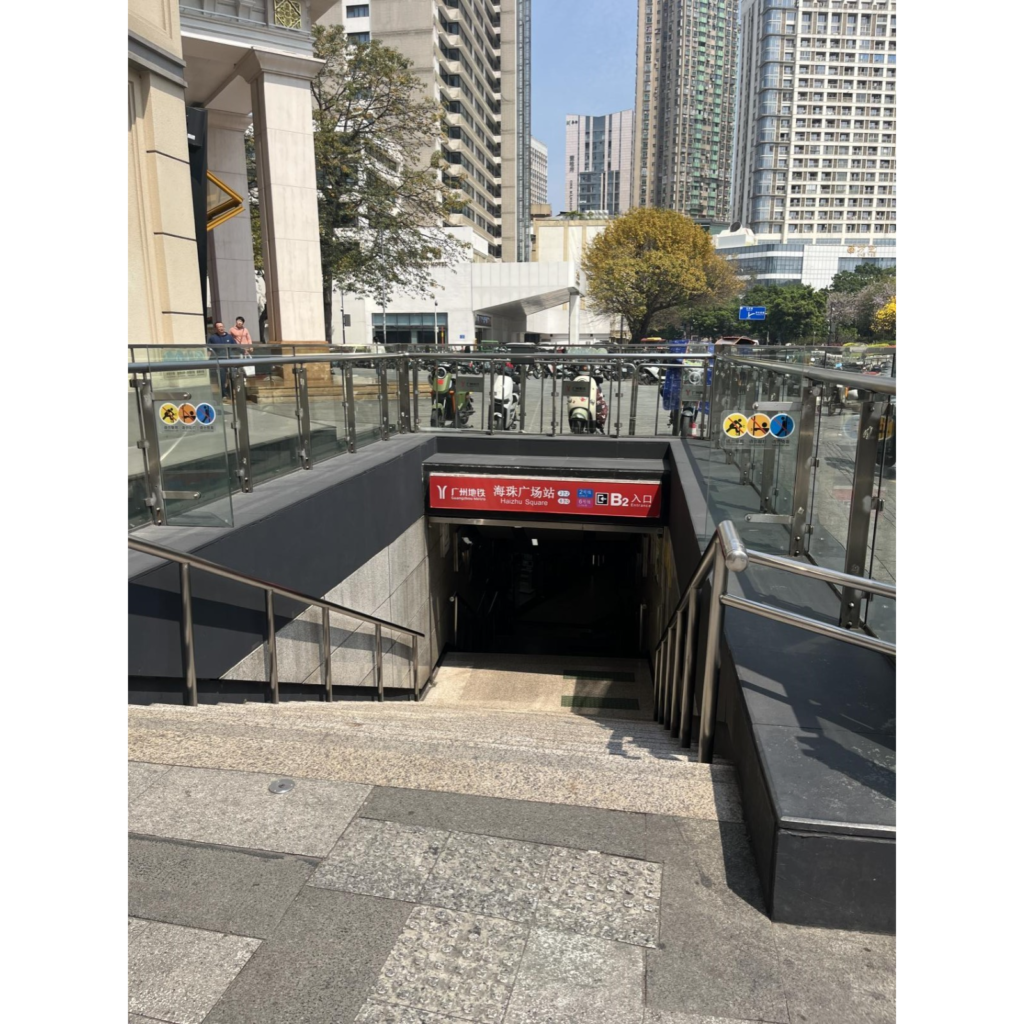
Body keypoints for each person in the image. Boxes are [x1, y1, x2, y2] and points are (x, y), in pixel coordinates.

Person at [207, 321, 236, 397]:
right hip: (220, 362)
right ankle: (223, 394)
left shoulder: (229, 337)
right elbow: (209, 349)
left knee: (234, 376)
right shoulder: (212, 338)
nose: (221, 328)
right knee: (221, 379)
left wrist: (243, 351)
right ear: (215, 329)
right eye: (219, 327)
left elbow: (235, 347)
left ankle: (229, 392)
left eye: (222, 326)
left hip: (230, 360)